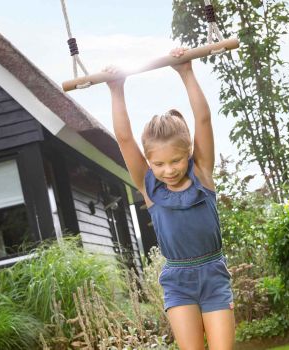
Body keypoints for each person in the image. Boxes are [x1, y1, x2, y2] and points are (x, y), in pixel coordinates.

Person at [105, 47, 235, 350]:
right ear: (149, 163)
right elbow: (124, 139)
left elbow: (203, 120)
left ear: (187, 152)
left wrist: (186, 72)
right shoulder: (150, 188)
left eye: (175, 161)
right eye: (158, 164)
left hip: (213, 274)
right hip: (178, 281)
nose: (168, 170)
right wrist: (116, 88)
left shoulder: (202, 173)